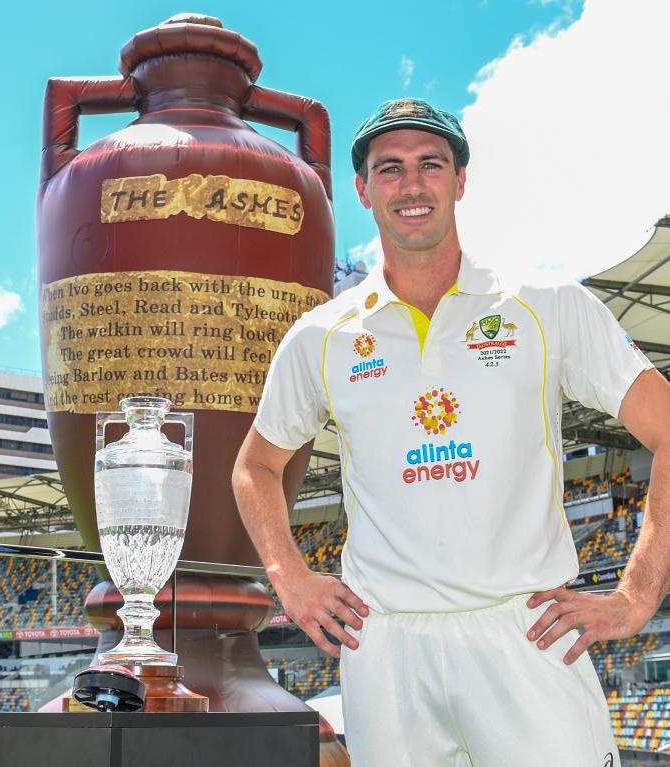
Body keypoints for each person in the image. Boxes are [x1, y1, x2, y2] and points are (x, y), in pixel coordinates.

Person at [233, 97, 670, 766]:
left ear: (459, 180)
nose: (411, 185)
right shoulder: (320, 335)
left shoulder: (544, 305)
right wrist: (286, 574)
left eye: (429, 164)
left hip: (522, 631)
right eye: (389, 169)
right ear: (362, 189)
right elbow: (254, 466)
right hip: (385, 649)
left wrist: (637, 593)